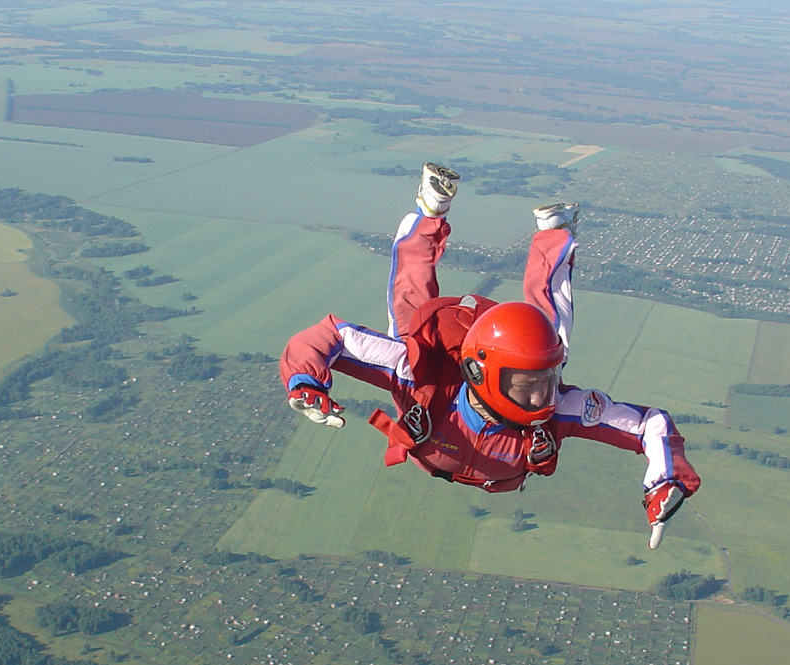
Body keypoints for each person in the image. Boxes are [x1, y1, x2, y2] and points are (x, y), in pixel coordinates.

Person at [279, 163, 700, 549]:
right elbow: (331, 335)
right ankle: (431, 208)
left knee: (550, 338)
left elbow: (651, 425)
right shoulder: (416, 372)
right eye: (527, 386)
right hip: (438, 370)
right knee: (411, 304)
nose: (542, 398)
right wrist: (305, 381)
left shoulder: (554, 404)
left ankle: (556, 232)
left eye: (547, 382)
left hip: (470, 419)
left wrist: (665, 478)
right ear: (480, 374)